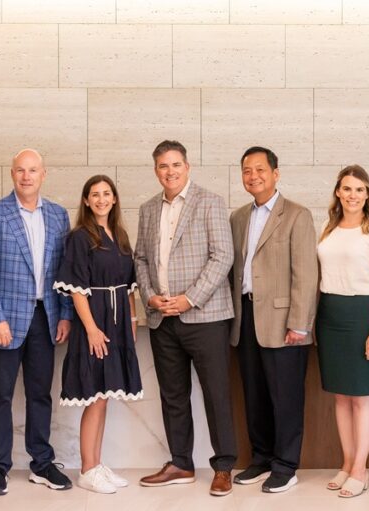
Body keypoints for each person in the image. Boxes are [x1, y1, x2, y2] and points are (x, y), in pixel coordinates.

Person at [134, 140, 237, 497]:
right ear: (156, 171)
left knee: (216, 394)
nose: (170, 171)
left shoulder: (210, 202)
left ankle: (224, 466)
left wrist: (189, 299)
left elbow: (222, 256)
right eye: (163, 166)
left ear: (187, 167)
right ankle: (181, 462)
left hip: (205, 317)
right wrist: (150, 296)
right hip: (162, 319)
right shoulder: (148, 209)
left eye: (176, 164)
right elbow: (141, 260)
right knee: (173, 395)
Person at [0, 148, 73, 496]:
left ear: (43, 174)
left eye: (32, 170)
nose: (26, 176)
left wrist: (66, 315)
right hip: (6, 322)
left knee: (40, 395)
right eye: (20, 170)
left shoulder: (59, 216)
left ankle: (42, 464)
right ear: (12, 174)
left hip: (47, 319)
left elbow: (65, 271)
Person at [228, 147, 317, 494]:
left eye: (260, 170)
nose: (254, 176)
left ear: (276, 173)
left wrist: (300, 323)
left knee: (286, 396)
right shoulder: (238, 217)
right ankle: (262, 458)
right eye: (247, 171)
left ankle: (286, 464)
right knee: (254, 393)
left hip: (284, 321)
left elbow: (306, 275)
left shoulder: (297, 215)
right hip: (246, 316)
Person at [53, 175, 144, 494]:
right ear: (87, 201)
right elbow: (77, 289)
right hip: (95, 322)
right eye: (95, 194)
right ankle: (87, 467)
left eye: (107, 193)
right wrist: (91, 329)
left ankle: (96, 462)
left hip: (118, 324)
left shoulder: (119, 234)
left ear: (115, 198)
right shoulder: (80, 237)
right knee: (95, 396)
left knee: (105, 396)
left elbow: (130, 285)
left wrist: (132, 321)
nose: (102, 199)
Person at [315, 165, 369, 498]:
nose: (352, 195)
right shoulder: (327, 227)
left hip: (363, 315)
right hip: (330, 314)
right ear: (338, 192)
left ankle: (361, 469)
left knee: (361, 397)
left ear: (367, 194)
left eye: (359, 189)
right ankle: (347, 463)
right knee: (340, 396)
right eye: (347, 189)